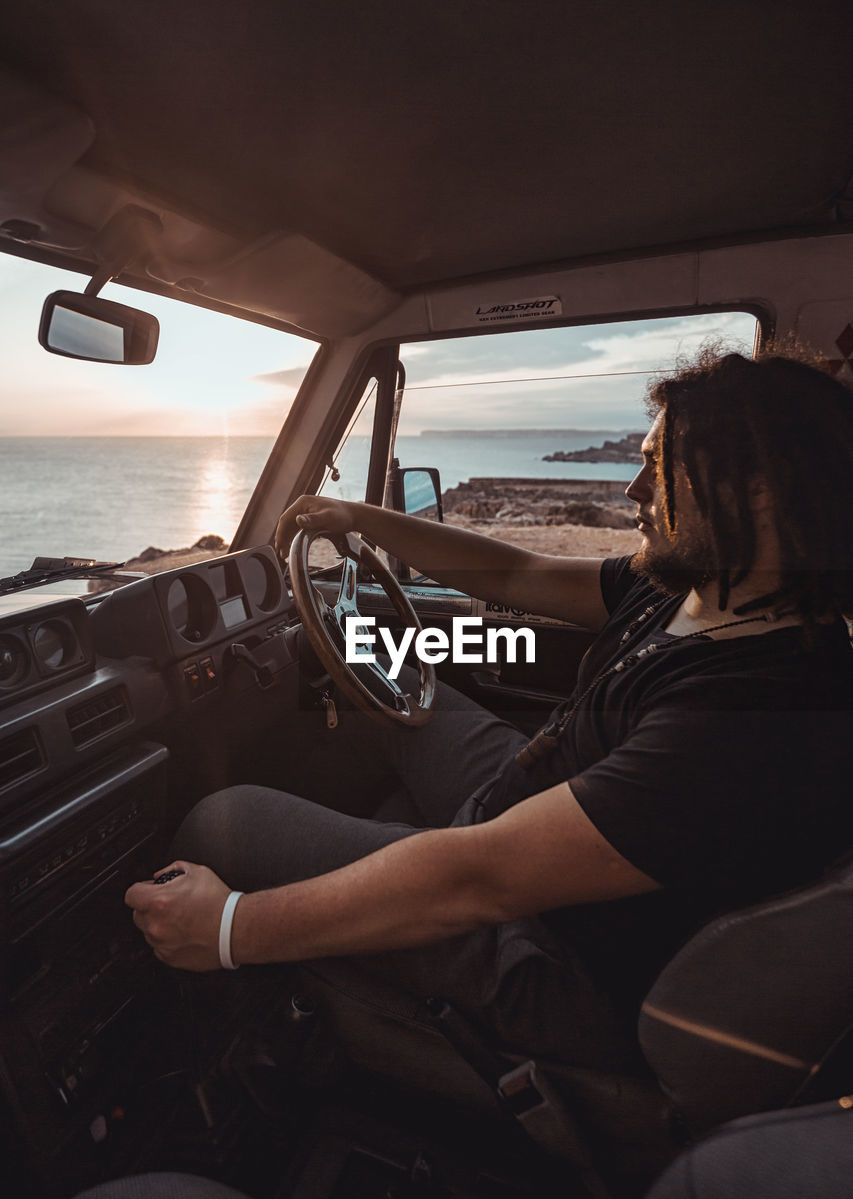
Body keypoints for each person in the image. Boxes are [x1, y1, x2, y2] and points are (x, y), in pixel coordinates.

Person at [125, 347, 853, 1065]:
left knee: (225, 821)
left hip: (555, 953)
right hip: (536, 802)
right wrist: (363, 518)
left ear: (759, 486)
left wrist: (229, 926)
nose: (633, 489)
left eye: (660, 466)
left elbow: (480, 878)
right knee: (390, 676)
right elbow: (515, 569)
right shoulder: (694, 586)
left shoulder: (756, 713)